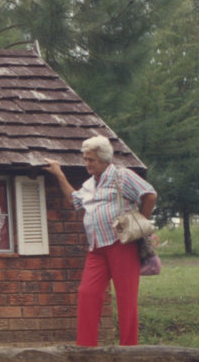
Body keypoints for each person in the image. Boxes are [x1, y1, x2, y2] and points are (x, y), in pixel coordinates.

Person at [44, 135, 157, 347]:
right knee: (87, 294)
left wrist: (140, 222)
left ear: (105, 160)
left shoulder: (121, 176)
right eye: (85, 159)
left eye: (91, 160)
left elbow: (149, 194)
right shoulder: (88, 185)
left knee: (126, 300)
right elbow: (73, 200)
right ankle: (86, 350)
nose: (87, 164)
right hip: (96, 248)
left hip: (121, 246)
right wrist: (59, 174)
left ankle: (129, 351)